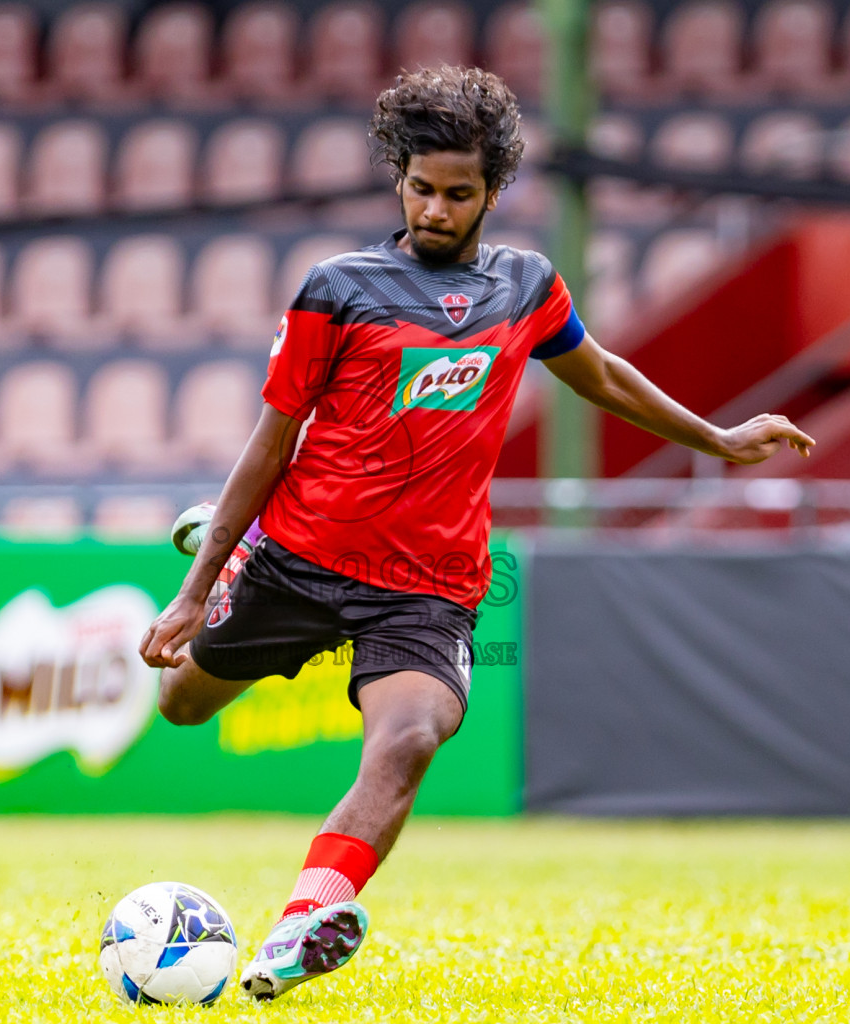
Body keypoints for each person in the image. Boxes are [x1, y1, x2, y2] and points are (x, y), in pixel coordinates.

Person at [138, 65, 815, 1002]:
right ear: (399, 179)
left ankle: (302, 922)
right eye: (422, 188)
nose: (437, 209)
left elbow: (603, 376)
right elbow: (270, 443)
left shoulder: (525, 287)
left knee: (411, 736)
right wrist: (194, 588)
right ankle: (225, 543)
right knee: (180, 703)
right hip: (297, 554)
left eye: (460, 193)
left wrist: (717, 437)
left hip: (428, 580)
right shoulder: (339, 290)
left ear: (494, 192)